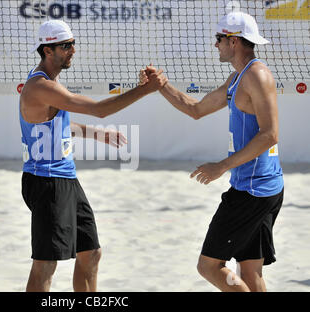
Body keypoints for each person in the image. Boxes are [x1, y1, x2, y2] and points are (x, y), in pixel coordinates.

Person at [141, 12, 284, 292]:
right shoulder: (239, 77)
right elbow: (195, 109)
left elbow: (270, 135)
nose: (215, 45)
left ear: (233, 41)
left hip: (252, 192)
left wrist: (221, 166)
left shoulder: (257, 75)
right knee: (250, 271)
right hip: (260, 188)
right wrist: (162, 85)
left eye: (219, 39)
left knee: (209, 266)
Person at [20, 20, 166, 292]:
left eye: (73, 43)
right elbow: (99, 109)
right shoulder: (42, 86)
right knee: (46, 264)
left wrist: (97, 134)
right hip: (46, 182)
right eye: (66, 45)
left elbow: (56, 129)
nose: (73, 50)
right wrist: (145, 90)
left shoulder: (51, 83)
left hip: (65, 178)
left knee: (91, 252)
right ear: (47, 50)